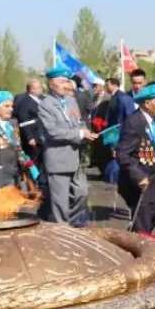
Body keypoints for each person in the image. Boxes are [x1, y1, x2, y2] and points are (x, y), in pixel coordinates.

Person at [115, 82, 155, 233]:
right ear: (148, 104)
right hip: (140, 182)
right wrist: (138, 176)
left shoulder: (151, 121)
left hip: (152, 179)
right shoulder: (134, 122)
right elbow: (122, 154)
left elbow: (151, 151)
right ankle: (136, 251)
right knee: (143, 221)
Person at [38, 67, 96, 225]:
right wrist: (79, 134)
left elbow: (78, 122)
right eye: (62, 82)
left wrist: (85, 131)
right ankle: (62, 230)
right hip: (58, 160)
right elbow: (53, 132)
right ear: (51, 84)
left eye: (67, 81)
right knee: (60, 202)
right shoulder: (45, 105)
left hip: (75, 157)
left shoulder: (71, 101)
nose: (67, 85)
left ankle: (68, 223)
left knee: (82, 193)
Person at [13, 78, 44, 166]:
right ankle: (31, 177)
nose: (40, 90)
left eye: (40, 87)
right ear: (31, 90)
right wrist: (30, 137)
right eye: (37, 88)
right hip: (33, 135)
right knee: (34, 160)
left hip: (42, 134)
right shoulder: (25, 102)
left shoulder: (42, 99)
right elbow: (24, 121)